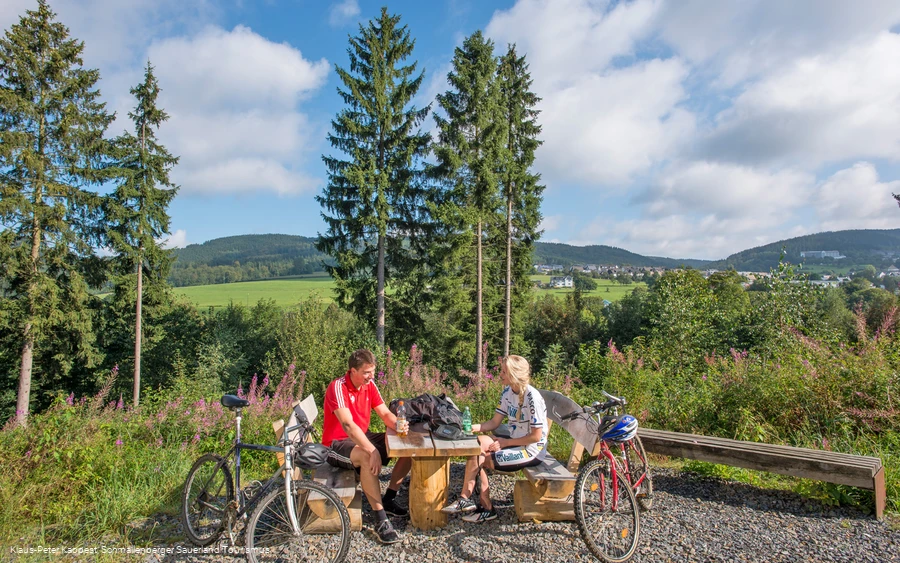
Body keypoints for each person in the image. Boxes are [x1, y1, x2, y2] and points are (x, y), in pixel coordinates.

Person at [441, 355, 547, 522]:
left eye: (504, 371)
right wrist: (469, 427)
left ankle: (485, 507)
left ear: (514, 374)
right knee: (479, 442)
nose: (500, 374)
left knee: (481, 457)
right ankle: (467, 499)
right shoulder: (507, 392)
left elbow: (536, 436)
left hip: (532, 450)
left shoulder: (531, 397)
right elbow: (494, 422)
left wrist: (505, 443)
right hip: (515, 441)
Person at [322, 349, 412, 544]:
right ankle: (380, 520)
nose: (371, 376)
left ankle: (389, 497)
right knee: (365, 456)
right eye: (366, 372)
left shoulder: (369, 385)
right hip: (337, 443)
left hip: (361, 436)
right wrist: (372, 450)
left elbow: (385, 413)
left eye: (372, 372)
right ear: (352, 371)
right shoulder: (337, 387)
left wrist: (398, 423)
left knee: (408, 448)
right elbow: (348, 425)